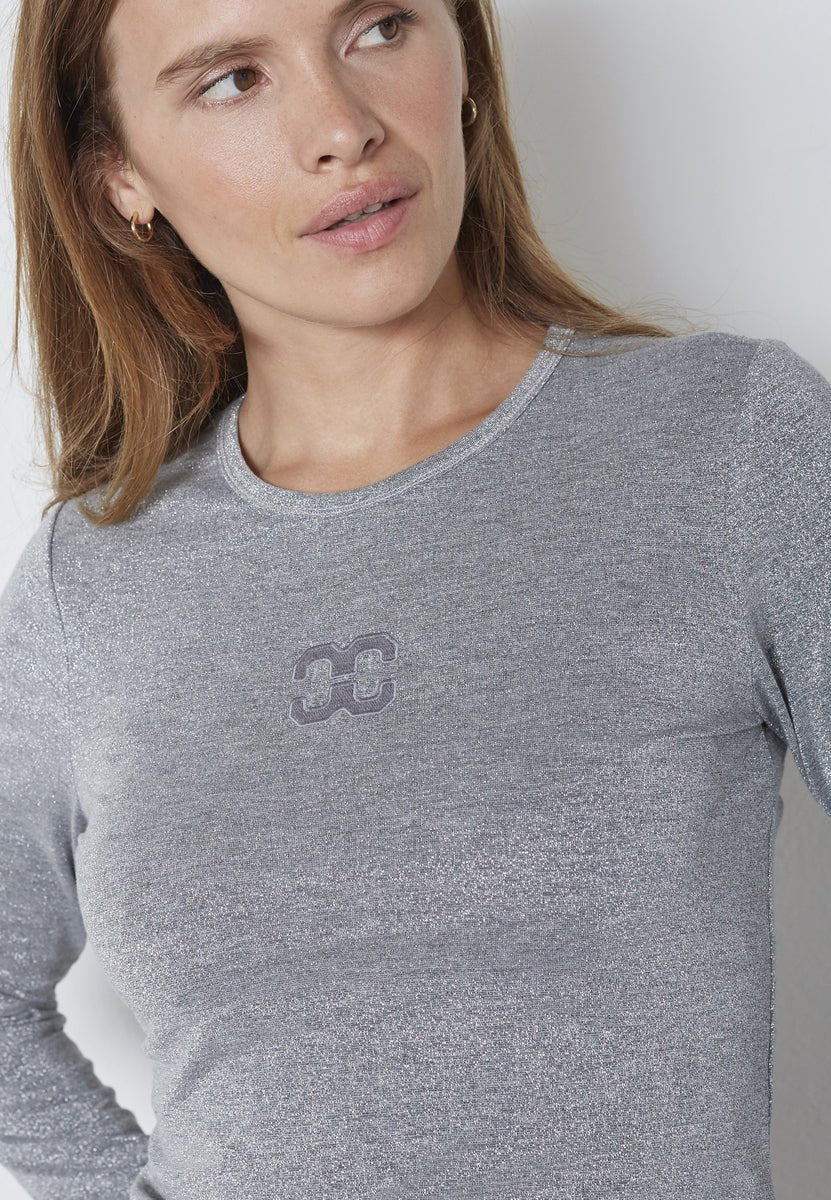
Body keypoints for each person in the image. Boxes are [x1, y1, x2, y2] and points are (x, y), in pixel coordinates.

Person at [0, 0, 828, 1197]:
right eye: (231, 80)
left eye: (380, 26)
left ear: (465, 52)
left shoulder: (727, 444)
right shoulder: (94, 580)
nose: (342, 127)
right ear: (116, 176)